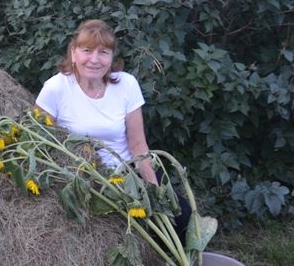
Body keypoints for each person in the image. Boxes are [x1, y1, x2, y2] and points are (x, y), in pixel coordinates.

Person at [34, 19, 191, 236]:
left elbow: (137, 144)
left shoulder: (126, 84)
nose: (94, 60)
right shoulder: (56, 88)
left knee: (181, 215)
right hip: (84, 178)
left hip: (126, 174)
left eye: (103, 52)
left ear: (111, 58)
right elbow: (38, 138)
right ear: (73, 53)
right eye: (87, 50)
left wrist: (154, 192)